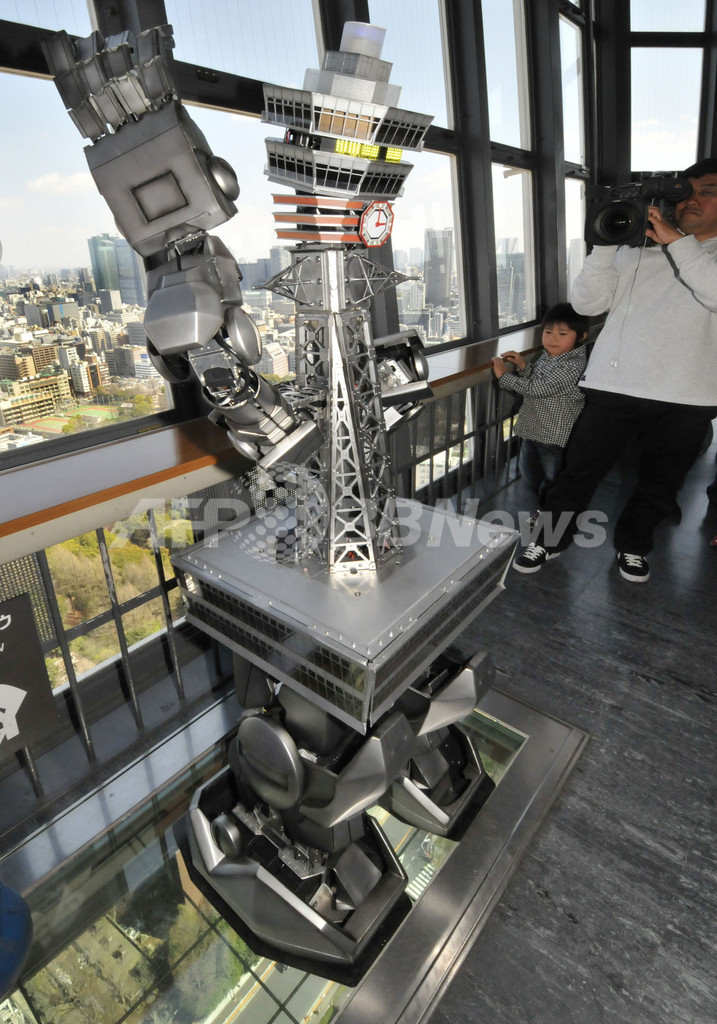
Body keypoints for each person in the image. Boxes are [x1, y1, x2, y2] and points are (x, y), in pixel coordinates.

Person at [513, 157, 717, 581]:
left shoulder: (704, 255)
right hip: (615, 385)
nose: (692, 201)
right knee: (576, 474)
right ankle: (548, 539)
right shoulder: (636, 249)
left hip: (687, 395)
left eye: (707, 192)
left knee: (660, 484)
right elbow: (588, 306)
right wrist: (604, 245)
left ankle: (634, 546)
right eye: (686, 192)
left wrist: (678, 242)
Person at [492, 303, 588, 505]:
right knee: (531, 476)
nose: (553, 338)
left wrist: (504, 377)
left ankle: (554, 515)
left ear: (581, 336)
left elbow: (538, 389)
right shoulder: (551, 355)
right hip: (533, 431)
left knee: (555, 481)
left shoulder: (573, 365)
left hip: (554, 437)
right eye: (548, 331)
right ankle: (547, 506)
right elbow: (538, 379)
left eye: (562, 334)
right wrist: (523, 365)